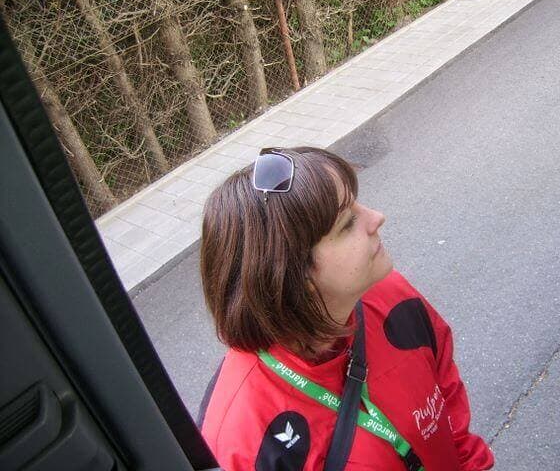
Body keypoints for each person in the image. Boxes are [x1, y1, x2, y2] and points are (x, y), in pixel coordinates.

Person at [199, 147, 494, 470]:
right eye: (347, 223)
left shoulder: (391, 297)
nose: (377, 217)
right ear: (293, 276)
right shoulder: (241, 440)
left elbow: (447, 396)